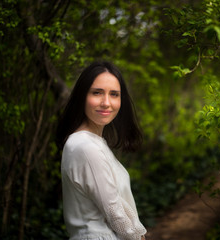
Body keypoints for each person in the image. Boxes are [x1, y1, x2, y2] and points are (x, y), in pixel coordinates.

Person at [56, 61, 147, 240]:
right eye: (97, 93)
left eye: (114, 94)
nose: (106, 103)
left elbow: (118, 204)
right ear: (82, 96)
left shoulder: (93, 143)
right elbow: (115, 214)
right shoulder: (85, 146)